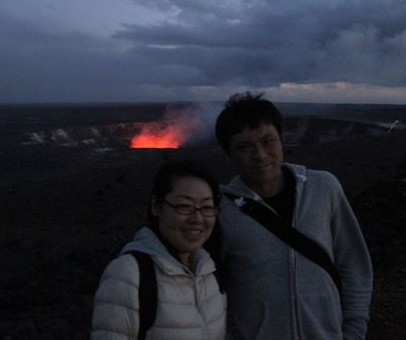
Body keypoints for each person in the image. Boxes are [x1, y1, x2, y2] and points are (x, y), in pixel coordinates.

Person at [215, 92, 373, 340]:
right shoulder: (221, 210)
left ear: (281, 140)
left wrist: (354, 329)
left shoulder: (324, 188)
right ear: (228, 154)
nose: (260, 155)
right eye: (245, 147)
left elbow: (353, 263)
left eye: (268, 141)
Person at [91, 161, 226, 340]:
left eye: (207, 208)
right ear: (156, 206)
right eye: (184, 206)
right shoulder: (128, 274)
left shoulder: (210, 272)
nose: (197, 218)